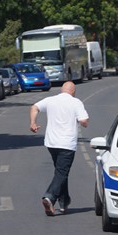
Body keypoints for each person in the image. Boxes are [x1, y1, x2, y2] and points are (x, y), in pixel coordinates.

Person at [29, 81, 89, 216]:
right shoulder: (76, 102)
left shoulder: (50, 100)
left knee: (60, 171)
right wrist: (84, 123)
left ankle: (64, 201)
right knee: (62, 172)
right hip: (66, 144)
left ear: (62, 90)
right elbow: (84, 121)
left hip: (51, 143)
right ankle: (49, 197)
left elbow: (34, 107)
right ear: (73, 92)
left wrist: (33, 123)